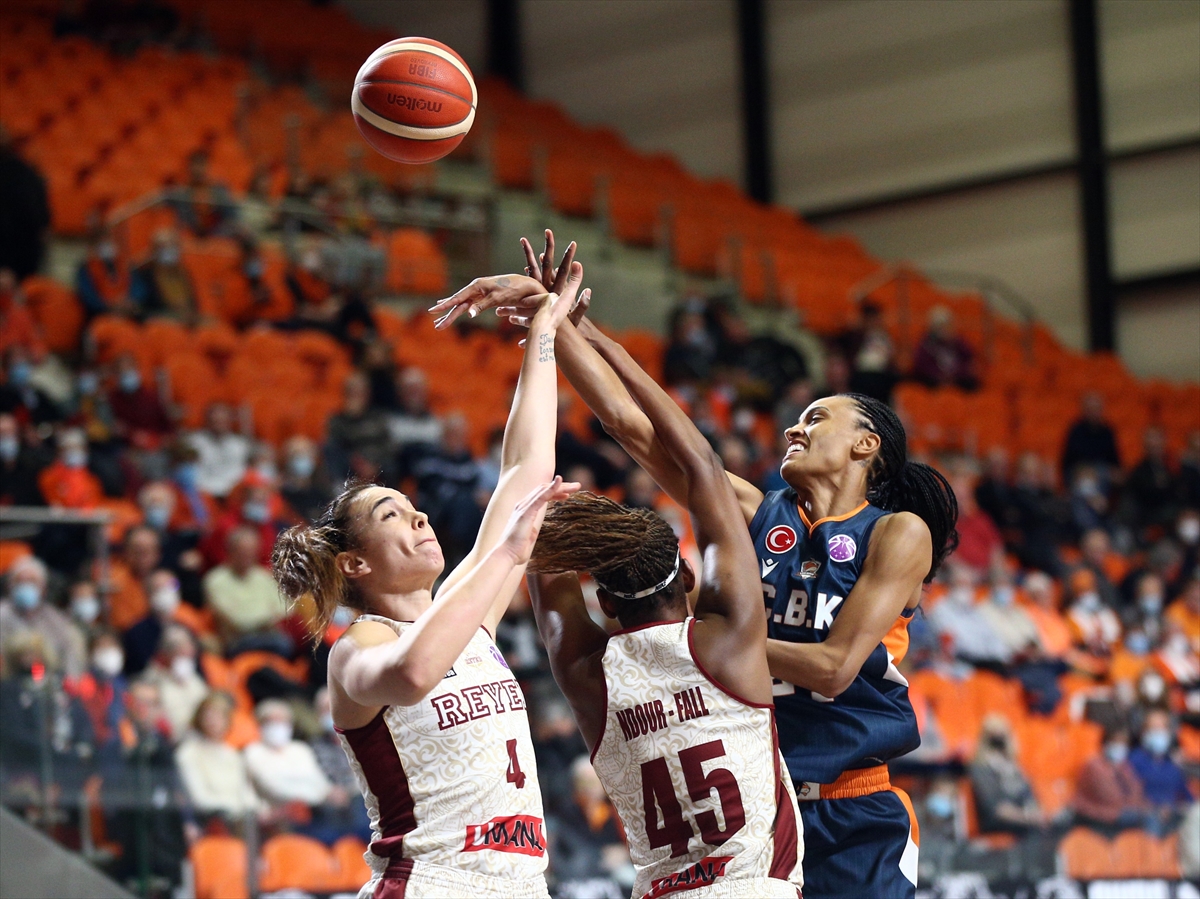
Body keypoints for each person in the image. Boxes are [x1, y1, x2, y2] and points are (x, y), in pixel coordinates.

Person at [434, 230, 961, 899]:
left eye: (816, 418)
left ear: (867, 445)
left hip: (851, 804)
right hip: (760, 802)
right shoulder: (757, 512)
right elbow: (628, 424)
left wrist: (709, 643)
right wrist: (558, 320)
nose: (794, 428)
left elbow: (833, 666)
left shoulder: (897, 533)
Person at [269, 261, 584, 899]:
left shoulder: (467, 617)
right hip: (430, 882)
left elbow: (526, 466)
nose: (419, 517)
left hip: (521, 886)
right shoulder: (359, 647)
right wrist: (505, 552)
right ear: (355, 563)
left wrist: (544, 330)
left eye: (414, 508)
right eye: (391, 515)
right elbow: (414, 674)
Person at [522, 304, 804, 897]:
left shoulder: (585, 672)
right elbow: (703, 466)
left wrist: (543, 337)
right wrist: (602, 343)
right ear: (689, 575)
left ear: (605, 602)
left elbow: (539, 537)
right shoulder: (728, 638)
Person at [175, 691, 263, 823]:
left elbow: (246, 793)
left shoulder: (232, 754)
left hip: (240, 819)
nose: (213, 721)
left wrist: (259, 809)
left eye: (219, 716)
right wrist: (239, 808)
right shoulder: (188, 752)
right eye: (208, 716)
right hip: (209, 821)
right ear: (199, 719)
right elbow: (200, 799)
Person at [202, 526, 288, 655]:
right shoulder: (215, 580)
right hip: (237, 641)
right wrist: (265, 620)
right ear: (230, 551)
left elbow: (284, 611)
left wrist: (266, 620)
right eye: (242, 551)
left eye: (251, 551)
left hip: (270, 637)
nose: (247, 555)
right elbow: (237, 621)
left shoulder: (264, 577)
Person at [0, 554, 87, 677]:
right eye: (20, 581)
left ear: (43, 588)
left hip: (48, 679)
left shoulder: (55, 618)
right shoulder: (2, 614)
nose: (26, 585)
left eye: (32, 581)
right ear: (10, 586)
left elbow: (69, 653)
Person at [1072, 727, 1148, 835]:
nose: (1119, 747)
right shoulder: (1094, 766)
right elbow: (1109, 796)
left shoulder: (1124, 766)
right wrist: (1122, 812)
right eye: (1115, 742)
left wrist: (1139, 809)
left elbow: (1136, 791)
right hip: (1096, 819)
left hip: (1120, 816)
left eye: (1123, 743)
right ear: (1106, 744)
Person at [1127, 709, 1193, 834]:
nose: (1158, 732)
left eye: (1162, 728)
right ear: (1143, 732)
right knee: (1152, 818)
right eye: (1154, 728)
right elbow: (1129, 794)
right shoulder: (1133, 761)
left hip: (1173, 813)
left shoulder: (1172, 764)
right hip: (1145, 814)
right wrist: (1157, 806)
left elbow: (1186, 794)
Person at [1061, 392, 1120, 485]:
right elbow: (1072, 460)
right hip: (1079, 472)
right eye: (1090, 409)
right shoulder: (1076, 431)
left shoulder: (1107, 431)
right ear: (1084, 410)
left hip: (1104, 472)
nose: (1094, 413)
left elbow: (1114, 459)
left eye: (1096, 409)